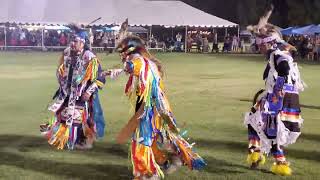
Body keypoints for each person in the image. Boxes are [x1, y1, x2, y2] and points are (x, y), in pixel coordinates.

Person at [115, 35, 206, 179]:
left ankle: (149, 173)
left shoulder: (139, 61)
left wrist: (122, 68)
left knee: (141, 140)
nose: (121, 55)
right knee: (155, 139)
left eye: (122, 51)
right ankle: (167, 162)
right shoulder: (147, 63)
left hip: (150, 109)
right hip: (157, 108)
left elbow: (131, 66)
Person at [245, 6, 305, 176]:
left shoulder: (278, 55)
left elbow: (285, 70)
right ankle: (255, 154)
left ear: (269, 43)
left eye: (261, 44)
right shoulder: (278, 54)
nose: (259, 47)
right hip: (283, 97)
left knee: (272, 132)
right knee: (253, 121)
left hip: (280, 99)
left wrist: (277, 91)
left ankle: (280, 163)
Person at [40, 24, 106, 150]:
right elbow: (60, 71)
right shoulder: (67, 53)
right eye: (72, 41)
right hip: (66, 93)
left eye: (75, 41)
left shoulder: (89, 57)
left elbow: (100, 77)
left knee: (78, 118)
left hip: (81, 94)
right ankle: (64, 139)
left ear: (82, 43)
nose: (72, 43)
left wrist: (89, 91)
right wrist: (63, 83)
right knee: (63, 116)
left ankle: (80, 140)